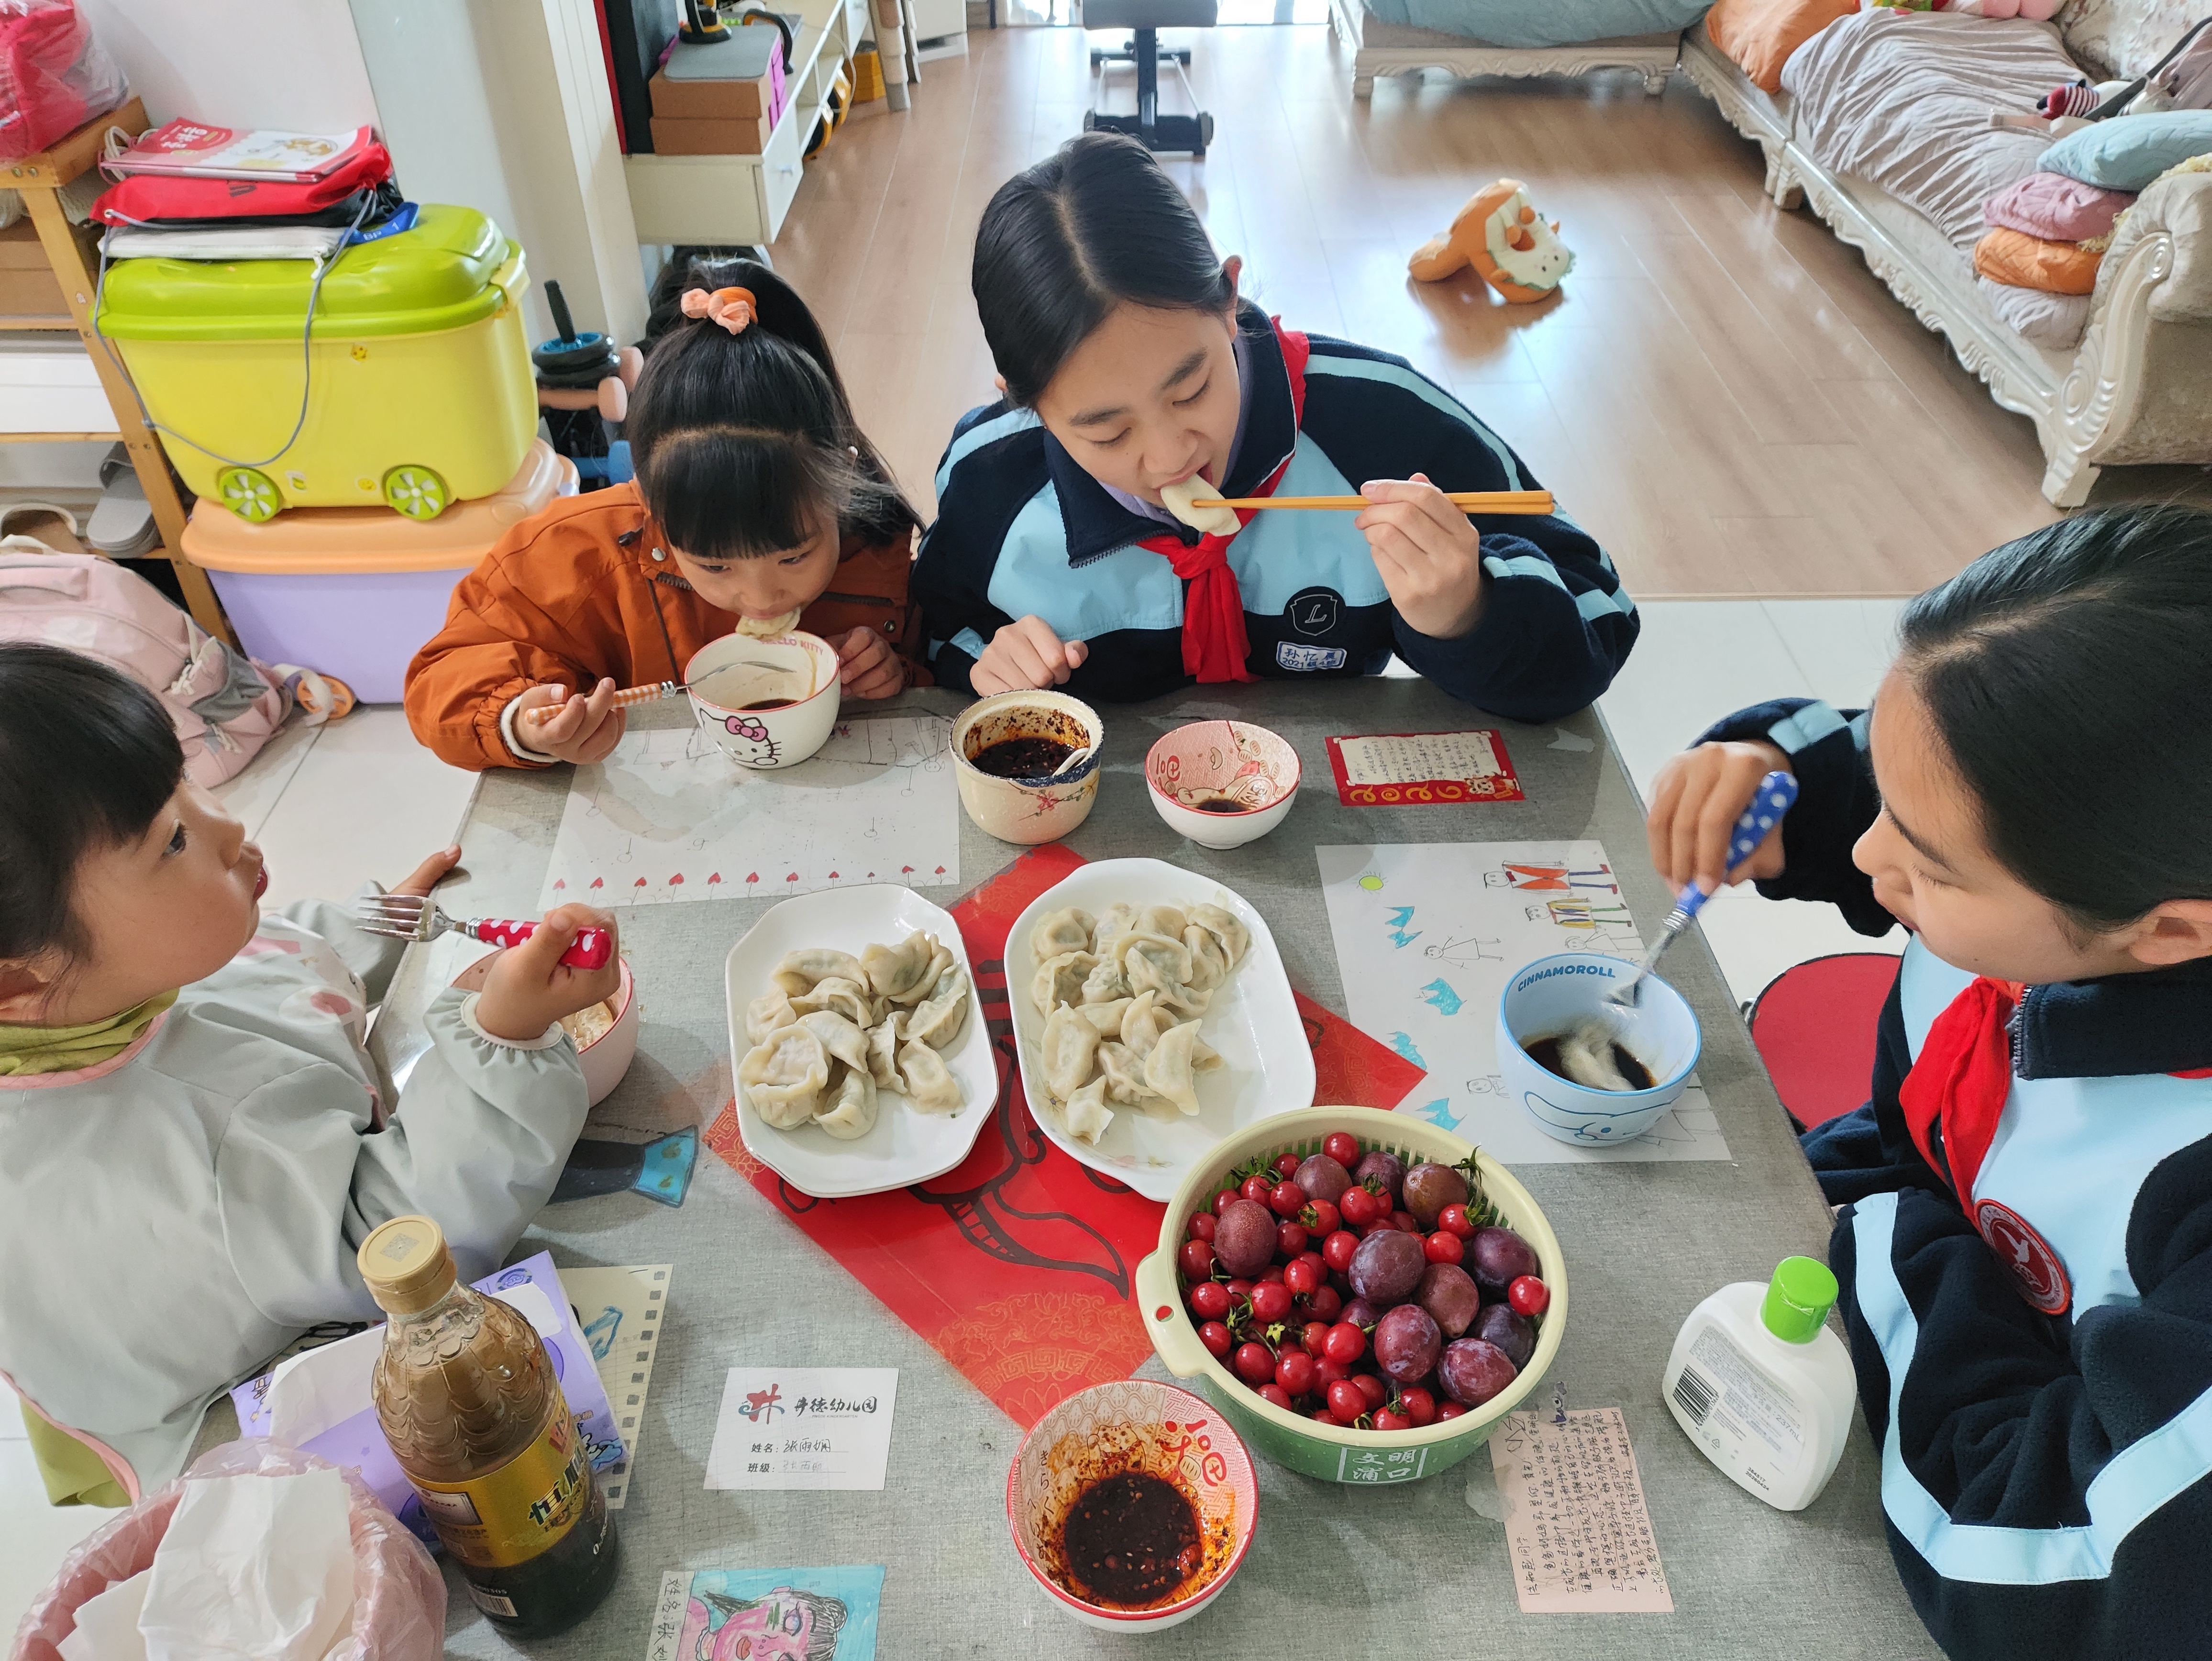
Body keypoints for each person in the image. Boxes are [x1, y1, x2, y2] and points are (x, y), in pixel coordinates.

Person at [1645, 505, 2212, 1661]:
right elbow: (1893, 758)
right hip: (1904, 1225)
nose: (1866, 856)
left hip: (1945, 1387)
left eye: (1926, 866)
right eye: (1882, 805)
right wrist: (1775, 768)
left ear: (2163, 932)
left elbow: (2062, 1569)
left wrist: (1890, 1240)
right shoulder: (2077, 839)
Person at [0, 643, 619, 1499]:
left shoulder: (85, 996)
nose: (226, 827)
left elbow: (265, 963)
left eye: (185, 783)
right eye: (172, 840)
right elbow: (403, 1239)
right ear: (19, 978)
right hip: (243, 1422)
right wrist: (503, 1039)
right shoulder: (195, 1150)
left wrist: (385, 921)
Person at [912, 133, 1635, 715]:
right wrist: (984, 664)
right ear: (1026, 404)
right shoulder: (991, 480)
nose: (1170, 456)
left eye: (1191, 390)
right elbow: (932, 633)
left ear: (1229, 300)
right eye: (1108, 434)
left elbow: (1601, 610)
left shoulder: (1383, 424)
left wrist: (1471, 612)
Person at [407, 259, 924, 771]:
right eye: (716, 565)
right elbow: (444, 678)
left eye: (793, 558)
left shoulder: (871, 542)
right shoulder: (577, 555)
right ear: (652, 504)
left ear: (840, 485)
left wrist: (892, 672)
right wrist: (522, 722)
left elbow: (939, 676)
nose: (763, 598)